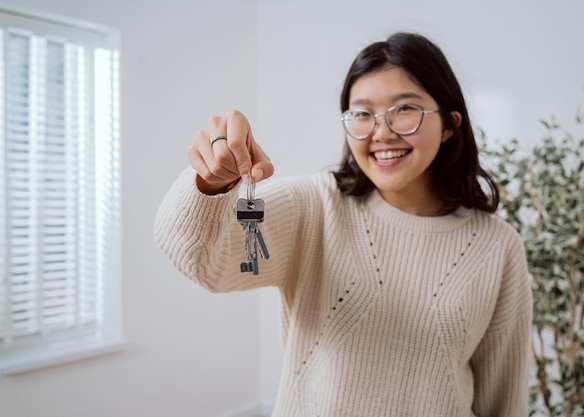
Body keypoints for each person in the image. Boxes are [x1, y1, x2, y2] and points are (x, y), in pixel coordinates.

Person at [154, 32, 532, 417]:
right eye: (363, 114)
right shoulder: (315, 207)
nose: (382, 132)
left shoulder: (497, 247)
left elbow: (504, 401)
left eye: (405, 109)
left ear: (450, 125)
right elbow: (198, 260)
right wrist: (210, 181)